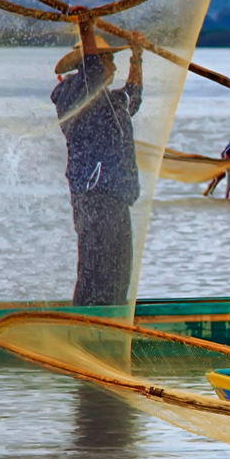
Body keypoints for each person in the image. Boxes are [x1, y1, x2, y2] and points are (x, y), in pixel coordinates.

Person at [51, 25, 142, 307]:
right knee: (95, 264)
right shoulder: (75, 93)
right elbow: (90, 69)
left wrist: (136, 57)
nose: (112, 66)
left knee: (117, 265)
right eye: (108, 60)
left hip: (117, 193)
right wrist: (85, 26)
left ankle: (111, 314)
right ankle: (88, 316)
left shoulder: (109, 99)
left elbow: (133, 96)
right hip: (94, 191)